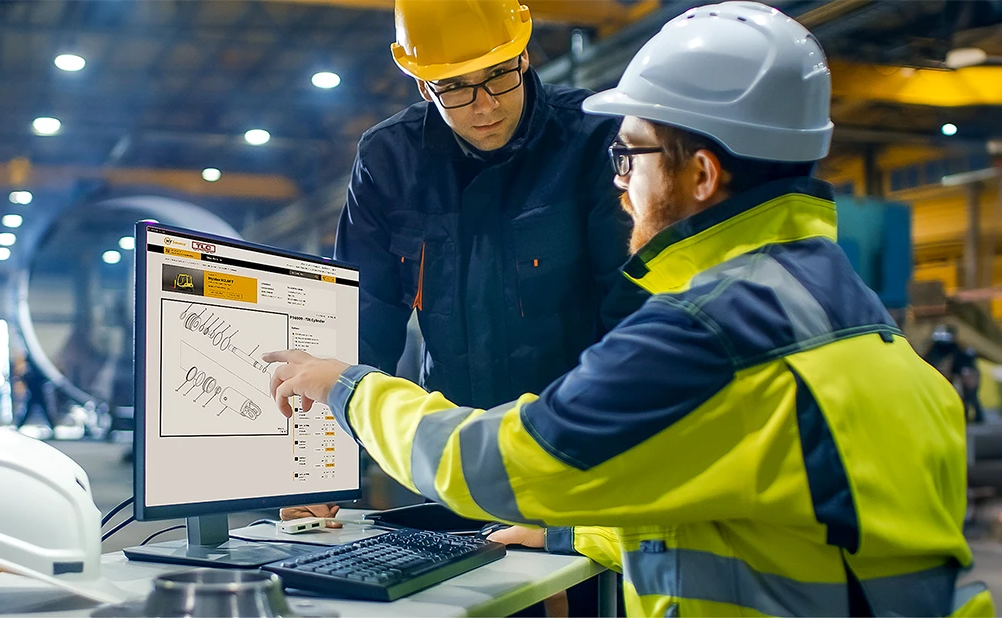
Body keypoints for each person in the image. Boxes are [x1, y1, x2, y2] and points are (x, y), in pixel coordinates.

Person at [263, 2, 994, 616]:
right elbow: (738, 502)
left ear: (701, 174)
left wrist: (347, 388)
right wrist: (580, 532)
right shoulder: (857, 324)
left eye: (632, 157)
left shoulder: (707, 333)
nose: (619, 183)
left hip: (530, 459)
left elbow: (503, 463)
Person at [284, 0, 629, 534]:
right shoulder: (389, 159)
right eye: (456, 87)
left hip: (577, 445)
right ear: (424, 85)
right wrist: (325, 472)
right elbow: (361, 318)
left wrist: (590, 484)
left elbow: (628, 313)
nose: (484, 105)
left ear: (524, 55)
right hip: (451, 455)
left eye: (498, 76)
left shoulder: (593, 138)